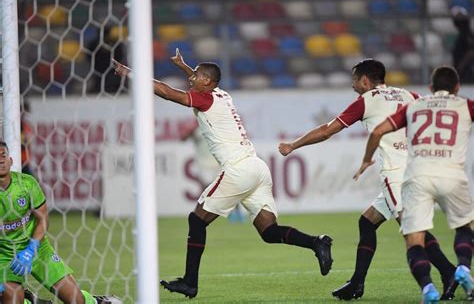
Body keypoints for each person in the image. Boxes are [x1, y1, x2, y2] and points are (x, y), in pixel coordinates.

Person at [112, 51, 333, 299]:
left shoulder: (205, 99)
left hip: (238, 168)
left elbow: (165, 91)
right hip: (257, 167)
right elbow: (201, 81)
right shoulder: (221, 94)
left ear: (207, 82)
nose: (191, 78)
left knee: (197, 221)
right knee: (269, 232)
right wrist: (185, 66)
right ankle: (317, 242)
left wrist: (131, 74)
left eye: (196, 75)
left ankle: (189, 282)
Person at [279, 59, 457, 300]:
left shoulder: (367, 101)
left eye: (354, 80)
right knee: (367, 222)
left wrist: (293, 145)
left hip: (397, 175)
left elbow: (327, 130)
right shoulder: (410, 95)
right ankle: (357, 283)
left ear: (364, 80)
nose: (353, 85)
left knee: (414, 230)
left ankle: (451, 274)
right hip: (417, 168)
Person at [354, 66, 474, 303]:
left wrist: (367, 159)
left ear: (430, 88)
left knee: (413, 236)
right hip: (450, 172)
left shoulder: (416, 105)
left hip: (415, 173)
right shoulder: (464, 105)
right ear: (458, 88)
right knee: (464, 227)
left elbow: (378, 131)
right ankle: (462, 268)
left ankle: (429, 287)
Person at [0, 141, 119, 304]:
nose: (0, 160)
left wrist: (31, 248)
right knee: (11, 298)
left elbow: (43, 218)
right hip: (4, 256)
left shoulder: (27, 184)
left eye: (3, 156)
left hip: (38, 249)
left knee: (75, 300)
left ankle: (94, 301)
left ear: (11, 160)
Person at [180, 118, 246, 223]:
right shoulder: (196, 127)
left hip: (220, 163)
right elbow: (182, 138)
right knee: (208, 191)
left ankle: (237, 213)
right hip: (204, 165)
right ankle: (202, 216)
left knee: (230, 188)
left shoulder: (217, 124)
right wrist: (191, 129)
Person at [451, 6, 474, 84]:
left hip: (467, 70)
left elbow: (471, 51)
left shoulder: (467, 34)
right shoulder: (462, 34)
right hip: (461, 70)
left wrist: (461, 65)